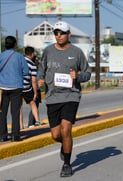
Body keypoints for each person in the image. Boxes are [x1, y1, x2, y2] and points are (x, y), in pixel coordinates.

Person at [37, 21, 91, 177]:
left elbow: (87, 73)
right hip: (52, 97)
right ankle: (65, 146)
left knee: (66, 129)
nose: (58, 36)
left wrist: (78, 76)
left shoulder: (77, 52)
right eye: (56, 33)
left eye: (61, 33)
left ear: (69, 35)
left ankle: (67, 164)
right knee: (56, 135)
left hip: (71, 95)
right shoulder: (48, 51)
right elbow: (41, 69)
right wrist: (40, 79)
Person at [0, 36, 29, 142]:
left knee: (2, 112)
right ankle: (15, 135)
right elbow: (26, 71)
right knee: (15, 112)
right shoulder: (19, 57)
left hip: (2, 87)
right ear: (15, 45)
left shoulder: (1, 56)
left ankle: (2, 135)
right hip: (16, 87)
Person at [20, 46, 40, 129]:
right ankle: (37, 121)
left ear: (24, 53)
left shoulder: (19, 61)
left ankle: (21, 126)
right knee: (32, 103)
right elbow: (34, 81)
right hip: (27, 87)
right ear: (32, 54)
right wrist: (35, 92)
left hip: (18, 86)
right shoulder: (32, 64)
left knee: (18, 107)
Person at [28, 56, 42, 127]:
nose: (38, 62)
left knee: (36, 106)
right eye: (36, 61)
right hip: (33, 90)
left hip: (38, 90)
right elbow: (33, 81)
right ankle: (31, 123)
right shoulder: (32, 70)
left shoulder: (38, 70)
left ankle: (33, 122)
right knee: (34, 106)